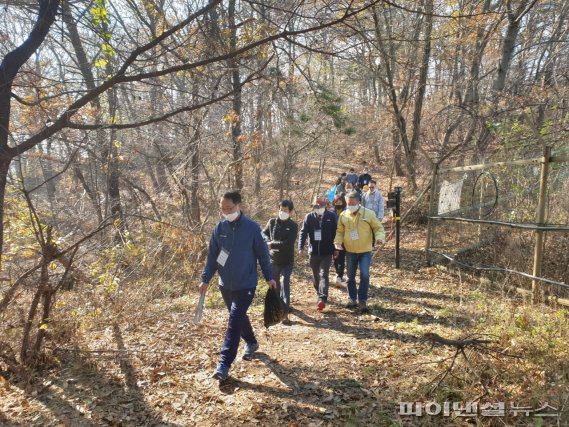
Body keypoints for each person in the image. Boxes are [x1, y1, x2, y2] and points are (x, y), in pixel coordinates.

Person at [200, 191, 276, 381]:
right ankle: (251, 342)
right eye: (223, 209)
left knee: (234, 321)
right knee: (238, 318)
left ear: (238, 205)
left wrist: (269, 277)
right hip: (225, 284)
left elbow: (263, 256)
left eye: (229, 208)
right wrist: (205, 279)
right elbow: (213, 258)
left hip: (246, 284)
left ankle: (224, 364)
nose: (226, 212)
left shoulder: (252, 228)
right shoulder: (219, 228)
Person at [334, 191, 385, 314]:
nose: (350, 205)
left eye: (352, 203)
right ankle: (352, 299)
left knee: (365, 275)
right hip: (350, 251)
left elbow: (378, 228)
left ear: (359, 202)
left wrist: (379, 237)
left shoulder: (369, 214)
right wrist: (337, 242)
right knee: (350, 277)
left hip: (365, 251)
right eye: (348, 203)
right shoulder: (343, 215)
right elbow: (340, 231)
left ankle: (362, 300)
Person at [262, 200, 298, 325]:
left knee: (285, 284)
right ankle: (278, 309)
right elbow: (263, 234)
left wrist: (271, 244)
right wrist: (266, 240)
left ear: (291, 212)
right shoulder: (272, 222)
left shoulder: (293, 226)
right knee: (274, 286)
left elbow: (289, 244)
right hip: (273, 261)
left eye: (286, 210)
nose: (283, 212)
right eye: (281, 210)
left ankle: (286, 314)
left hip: (287, 261)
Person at [298, 195, 337, 311]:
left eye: (320, 206)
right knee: (315, 275)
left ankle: (322, 298)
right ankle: (319, 292)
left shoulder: (331, 216)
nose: (318, 208)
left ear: (325, 206)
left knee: (324, 274)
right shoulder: (309, 217)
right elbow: (303, 232)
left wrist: (336, 249)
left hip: (327, 251)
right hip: (313, 251)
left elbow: (336, 233)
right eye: (316, 206)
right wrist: (301, 247)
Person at [332, 194, 347, 284]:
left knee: (341, 257)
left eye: (340, 202)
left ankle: (339, 275)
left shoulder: (346, 212)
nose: (339, 204)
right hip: (333, 238)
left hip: (344, 238)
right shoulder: (331, 212)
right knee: (335, 257)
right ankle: (337, 271)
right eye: (337, 202)